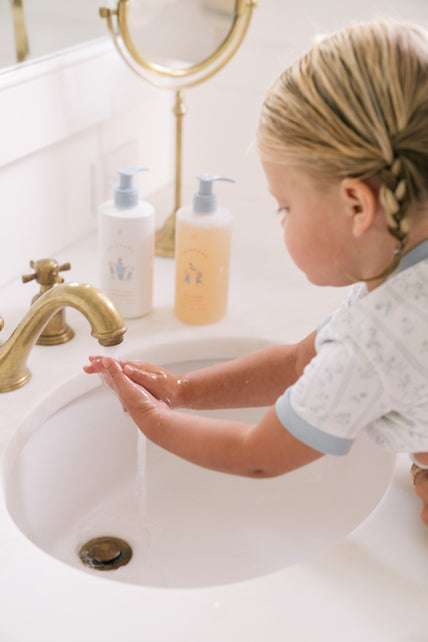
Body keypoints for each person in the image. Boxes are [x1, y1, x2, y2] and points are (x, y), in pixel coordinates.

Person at [85, 19, 428, 526]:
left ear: (357, 204)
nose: (282, 220)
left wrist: (153, 418)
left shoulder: (374, 341)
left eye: (284, 207)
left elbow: (257, 454)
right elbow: (295, 364)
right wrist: (183, 390)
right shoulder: (401, 284)